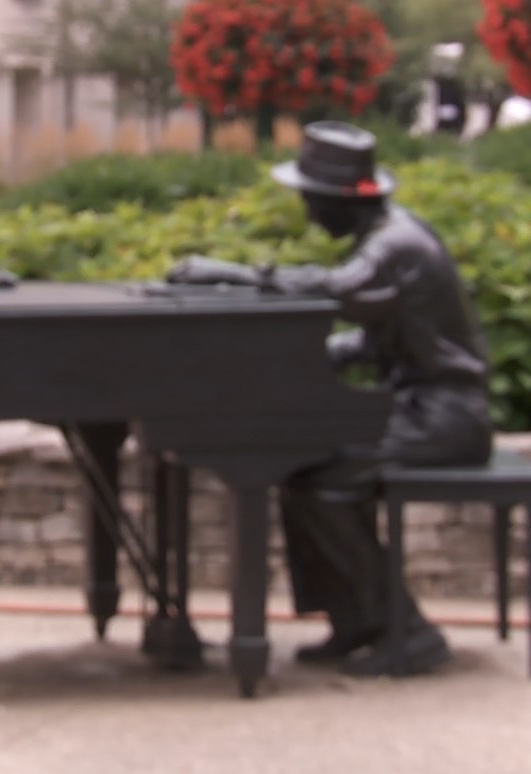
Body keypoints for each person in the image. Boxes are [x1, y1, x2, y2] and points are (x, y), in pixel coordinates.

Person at [166, 121, 494, 677]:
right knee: (303, 472)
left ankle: (407, 631)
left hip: (445, 416)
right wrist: (301, 360)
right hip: (421, 408)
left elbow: (337, 289)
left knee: (329, 477)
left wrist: (230, 275)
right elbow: (373, 336)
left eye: (311, 199)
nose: (308, 211)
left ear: (339, 200)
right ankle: (356, 621)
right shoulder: (387, 236)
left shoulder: (395, 244)